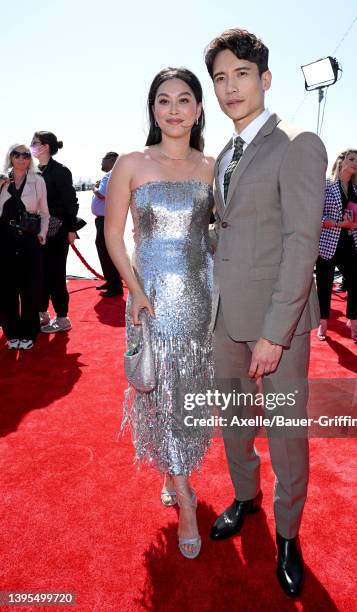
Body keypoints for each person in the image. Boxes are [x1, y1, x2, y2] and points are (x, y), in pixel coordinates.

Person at [204, 29, 327, 597]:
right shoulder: (224, 154)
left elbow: (302, 242)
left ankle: (287, 533)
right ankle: (246, 498)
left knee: (284, 432)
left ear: (266, 79)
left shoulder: (298, 143)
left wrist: (275, 334)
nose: (231, 88)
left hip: (278, 323)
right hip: (225, 317)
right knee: (233, 421)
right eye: (221, 78)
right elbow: (228, 229)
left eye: (242, 75)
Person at [105, 68, 214, 560]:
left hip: (197, 297)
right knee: (160, 389)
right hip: (149, 299)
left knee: (187, 392)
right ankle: (186, 496)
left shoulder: (212, 167)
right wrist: (135, 290)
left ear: (197, 109)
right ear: (152, 109)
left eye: (184, 99)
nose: (173, 109)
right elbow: (113, 237)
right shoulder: (130, 163)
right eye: (163, 100)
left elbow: (218, 236)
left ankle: (178, 471)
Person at [315, 149, 357, 342]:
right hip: (328, 243)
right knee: (324, 284)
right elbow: (315, 214)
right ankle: (323, 323)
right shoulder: (326, 185)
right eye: (351, 159)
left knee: (356, 282)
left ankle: (352, 321)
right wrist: (337, 223)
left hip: (350, 243)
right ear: (341, 161)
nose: (355, 163)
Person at [0, 145, 49, 349]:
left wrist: (41, 234)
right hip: (4, 239)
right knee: (6, 289)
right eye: (17, 154)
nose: (21, 158)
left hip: (29, 239)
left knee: (30, 288)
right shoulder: (2, 181)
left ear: (30, 159)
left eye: (26, 155)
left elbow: (45, 212)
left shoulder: (38, 181)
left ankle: (29, 332)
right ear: (10, 157)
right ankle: (12, 333)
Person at [30, 131, 79, 333]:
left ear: (46, 146)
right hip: (34, 231)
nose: (31, 146)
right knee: (38, 273)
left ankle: (62, 317)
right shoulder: (31, 171)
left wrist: (71, 229)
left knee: (55, 274)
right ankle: (42, 312)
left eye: (35, 143)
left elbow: (70, 202)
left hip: (57, 229)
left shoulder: (60, 171)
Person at [91, 152, 123, 297]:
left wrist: (94, 188)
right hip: (106, 219)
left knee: (107, 251)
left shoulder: (110, 174)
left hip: (106, 219)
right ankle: (111, 281)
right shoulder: (115, 174)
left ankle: (115, 285)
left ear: (111, 160)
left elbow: (102, 194)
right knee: (104, 250)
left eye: (103, 159)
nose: (101, 163)